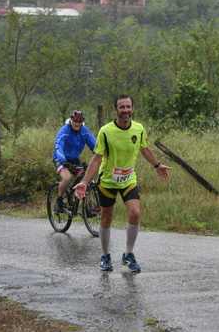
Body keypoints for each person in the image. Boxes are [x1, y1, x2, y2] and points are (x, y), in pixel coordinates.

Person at [75, 95, 170, 273]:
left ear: (132, 108)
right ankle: (105, 256)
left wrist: (157, 165)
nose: (125, 110)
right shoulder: (106, 131)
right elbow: (97, 158)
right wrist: (84, 182)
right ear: (116, 110)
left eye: (128, 107)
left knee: (135, 213)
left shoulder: (139, 128)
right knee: (106, 218)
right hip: (108, 181)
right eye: (122, 107)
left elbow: (144, 148)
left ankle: (128, 254)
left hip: (128, 180)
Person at [53, 110, 97, 213]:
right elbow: (58, 146)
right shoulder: (64, 131)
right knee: (67, 177)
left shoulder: (84, 131)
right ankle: (59, 202)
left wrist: (101, 155)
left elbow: (95, 146)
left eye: (79, 121)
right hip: (60, 158)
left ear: (82, 122)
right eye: (75, 121)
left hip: (74, 159)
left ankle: (83, 203)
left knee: (86, 177)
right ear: (71, 120)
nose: (77, 123)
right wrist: (63, 160)